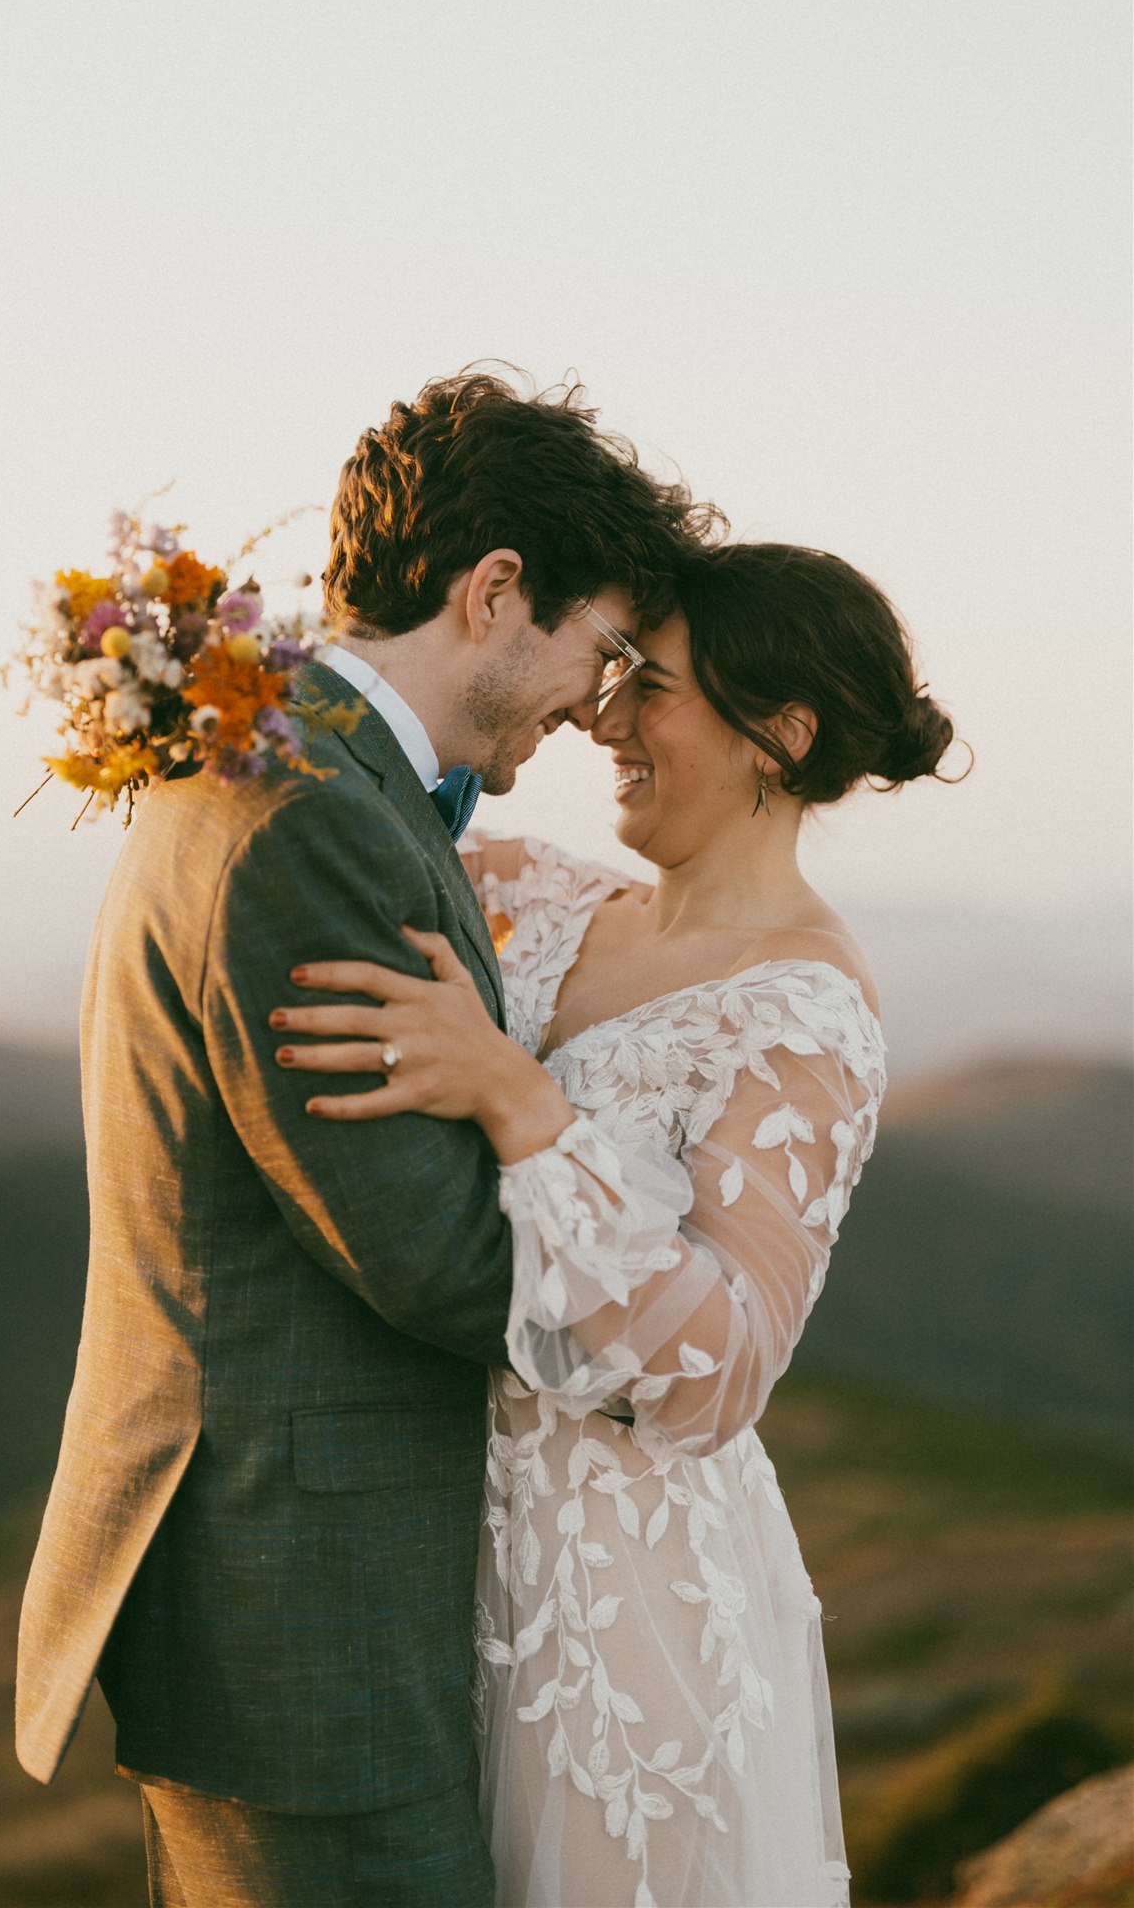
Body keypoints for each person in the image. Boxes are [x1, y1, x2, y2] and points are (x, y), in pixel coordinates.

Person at [15, 368, 718, 1907]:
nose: (594, 704)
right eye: (597, 654)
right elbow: (437, 1259)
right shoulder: (307, 814)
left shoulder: (284, 760)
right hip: (302, 1611)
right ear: (493, 593)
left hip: (281, 1591)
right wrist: (648, 1275)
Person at [269, 540, 959, 1907]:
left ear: (782, 733)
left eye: (654, 688)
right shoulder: (524, 891)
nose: (602, 715)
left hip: (617, 1614)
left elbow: (721, 1370)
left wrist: (523, 1106)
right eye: (614, 673)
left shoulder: (804, 1011)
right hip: (409, 1564)